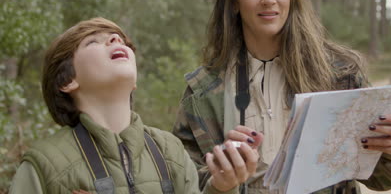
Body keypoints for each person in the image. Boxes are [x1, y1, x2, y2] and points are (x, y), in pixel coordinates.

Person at [173, 0, 391, 194]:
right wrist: (220, 179)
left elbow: (384, 180)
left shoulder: (340, 74)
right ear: (234, 2)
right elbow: (182, 180)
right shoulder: (201, 91)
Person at [9, 17, 259, 194]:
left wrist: (223, 187)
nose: (117, 39)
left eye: (120, 40)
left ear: (134, 83)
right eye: (94, 41)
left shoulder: (170, 151)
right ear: (67, 80)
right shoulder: (43, 164)